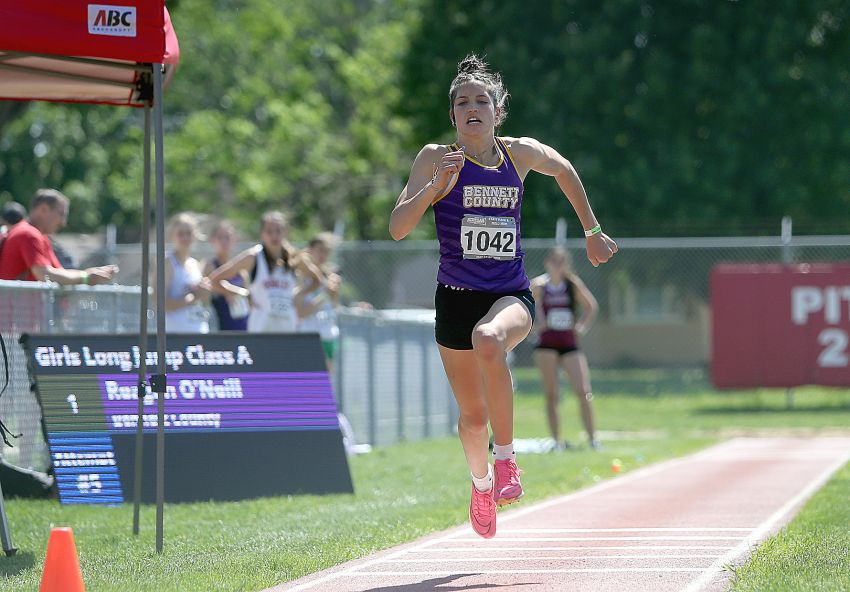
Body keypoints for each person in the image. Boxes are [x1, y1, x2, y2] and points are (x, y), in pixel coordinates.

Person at [389, 55, 617, 539]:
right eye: (462, 102)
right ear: (452, 116)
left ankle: (507, 459)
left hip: (508, 294)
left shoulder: (519, 154)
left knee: (490, 339)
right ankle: (480, 486)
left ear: (497, 111)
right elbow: (397, 229)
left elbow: (565, 169)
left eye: (481, 100)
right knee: (472, 419)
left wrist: (592, 230)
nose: (472, 107)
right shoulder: (435, 157)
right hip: (454, 296)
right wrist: (435, 187)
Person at [208, 211, 324, 333]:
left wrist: (298, 294)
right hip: (260, 330)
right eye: (269, 231)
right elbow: (214, 280)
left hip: (287, 329)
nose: (274, 236)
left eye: (278, 231)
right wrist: (243, 294)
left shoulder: (294, 257)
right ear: (262, 234)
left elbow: (317, 280)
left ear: (285, 232)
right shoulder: (253, 257)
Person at [531, 247, 600, 451]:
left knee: (583, 390)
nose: (558, 265)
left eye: (562, 261)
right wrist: (536, 325)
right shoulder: (540, 285)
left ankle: (593, 439)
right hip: (547, 344)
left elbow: (591, 306)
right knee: (552, 394)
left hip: (569, 343)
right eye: (554, 261)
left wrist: (581, 327)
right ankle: (556, 441)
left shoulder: (571, 284)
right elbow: (524, 303)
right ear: (547, 262)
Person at [0, 189, 117, 285]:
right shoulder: (28, 234)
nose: (63, 223)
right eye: (61, 214)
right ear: (43, 209)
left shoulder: (40, 236)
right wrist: (85, 278)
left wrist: (89, 273)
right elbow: (45, 275)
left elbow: (59, 272)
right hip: (17, 312)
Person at [155, 212, 210, 334]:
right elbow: (160, 304)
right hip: (177, 335)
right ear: (172, 236)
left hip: (199, 331)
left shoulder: (195, 264)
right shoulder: (167, 263)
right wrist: (193, 298)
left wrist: (204, 293)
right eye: (181, 234)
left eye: (189, 233)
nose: (185, 238)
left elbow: (203, 302)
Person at [296, 233, 341, 370]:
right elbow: (301, 312)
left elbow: (335, 307)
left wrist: (333, 292)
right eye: (320, 250)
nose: (323, 255)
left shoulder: (331, 278)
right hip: (310, 335)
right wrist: (323, 296)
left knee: (325, 380)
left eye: (326, 251)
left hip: (328, 335)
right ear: (311, 250)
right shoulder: (303, 278)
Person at [202, 219, 250, 331]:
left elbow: (248, 297)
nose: (224, 241)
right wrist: (232, 291)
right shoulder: (209, 265)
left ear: (234, 239)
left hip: (241, 324)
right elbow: (212, 283)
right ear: (212, 240)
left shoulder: (240, 270)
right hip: (220, 326)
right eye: (220, 237)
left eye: (227, 237)